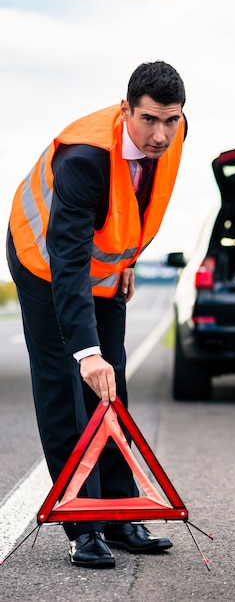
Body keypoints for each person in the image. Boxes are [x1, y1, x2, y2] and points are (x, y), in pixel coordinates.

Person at [6, 61, 187, 568]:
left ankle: (121, 512)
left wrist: (128, 260)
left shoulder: (173, 130)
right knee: (69, 384)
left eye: (171, 121)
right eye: (150, 120)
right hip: (44, 263)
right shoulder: (85, 158)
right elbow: (67, 262)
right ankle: (82, 524)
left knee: (112, 383)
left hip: (103, 264)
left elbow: (141, 201)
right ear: (125, 108)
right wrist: (84, 353)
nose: (161, 134)